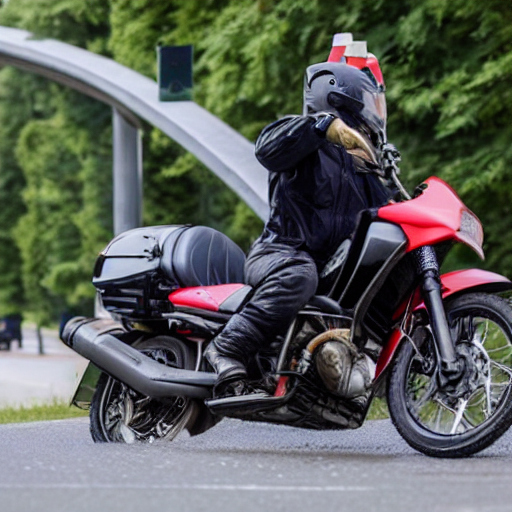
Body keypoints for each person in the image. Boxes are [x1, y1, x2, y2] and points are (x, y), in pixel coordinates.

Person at [204, 62, 392, 405]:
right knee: (299, 274)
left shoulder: (362, 167)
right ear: (340, 97)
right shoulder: (301, 137)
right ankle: (226, 347)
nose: (375, 111)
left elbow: (388, 217)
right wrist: (322, 126)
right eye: (368, 101)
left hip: (326, 268)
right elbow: (267, 149)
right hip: (280, 253)